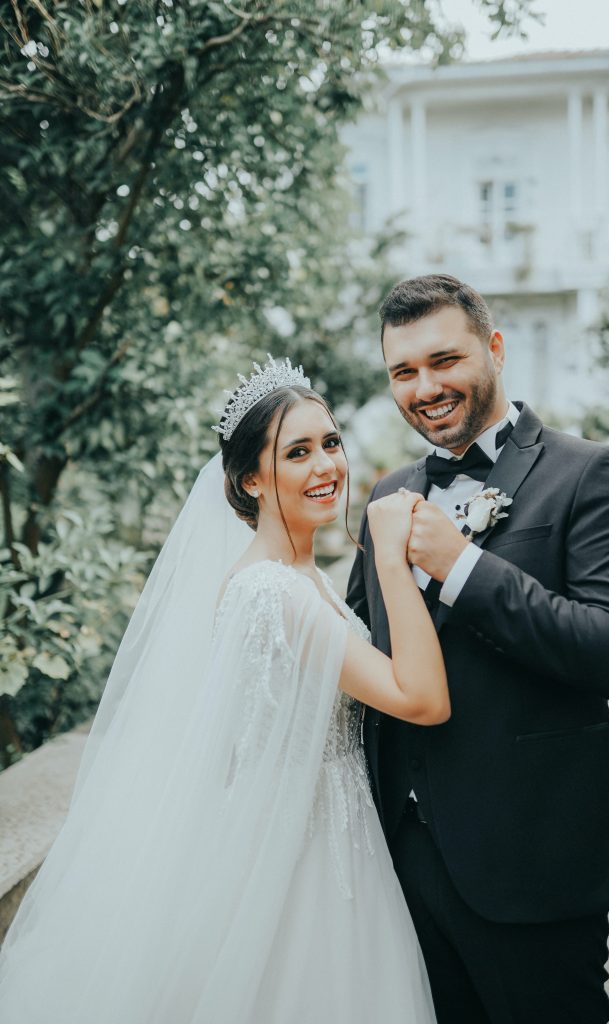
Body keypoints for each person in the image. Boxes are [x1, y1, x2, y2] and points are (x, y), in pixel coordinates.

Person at [0, 356, 444, 1023]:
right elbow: (420, 699)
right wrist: (388, 556)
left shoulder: (302, 578)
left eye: (330, 443)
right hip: (304, 864)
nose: (326, 466)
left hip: (334, 837)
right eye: (297, 452)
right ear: (250, 481)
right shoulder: (272, 593)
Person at [347, 274, 609, 1024]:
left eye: (443, 360)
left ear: (494, 348)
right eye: (403, 372)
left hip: (535, 861)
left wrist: (463, 567)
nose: (424, 387)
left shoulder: (590, 473)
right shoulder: (388, 498)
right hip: (403, 862)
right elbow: (362, 653)